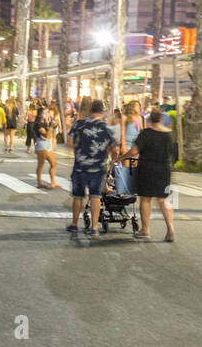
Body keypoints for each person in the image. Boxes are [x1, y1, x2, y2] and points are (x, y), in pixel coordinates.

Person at [67, 99, 117, 236]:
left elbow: (69, 142)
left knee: (78, 197)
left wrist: (79, 149)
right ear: (103, 112)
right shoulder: (108, 128)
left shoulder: (79, 123)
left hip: (80, 167)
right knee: (96, 197)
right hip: (98, 168)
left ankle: (74, 224)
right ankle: (94, 228)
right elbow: (114, 150)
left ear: (90, 110)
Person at [126, 110, 177, 242]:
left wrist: (122, 157)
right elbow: (174, 154)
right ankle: (170, 228)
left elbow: (135, 151)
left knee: (145, 199)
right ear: (160, 119)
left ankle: (145, 230)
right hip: (164, 169)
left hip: (147, 169)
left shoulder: (146, 133)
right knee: (163, 200)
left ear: (149, 120)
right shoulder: (169, 134)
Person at [33, 101, 60, 188]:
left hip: (47, 145)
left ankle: (53, 182)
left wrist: (52, 127)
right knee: (40, 165)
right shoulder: (38, 124)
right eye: (46, 113)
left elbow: (49, 135)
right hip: (41, 146)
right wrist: (51, 127)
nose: (48, 114)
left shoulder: (45, 123)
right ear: (41, 115)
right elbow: (47, 136)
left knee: (54, 163)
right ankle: (39, 183)